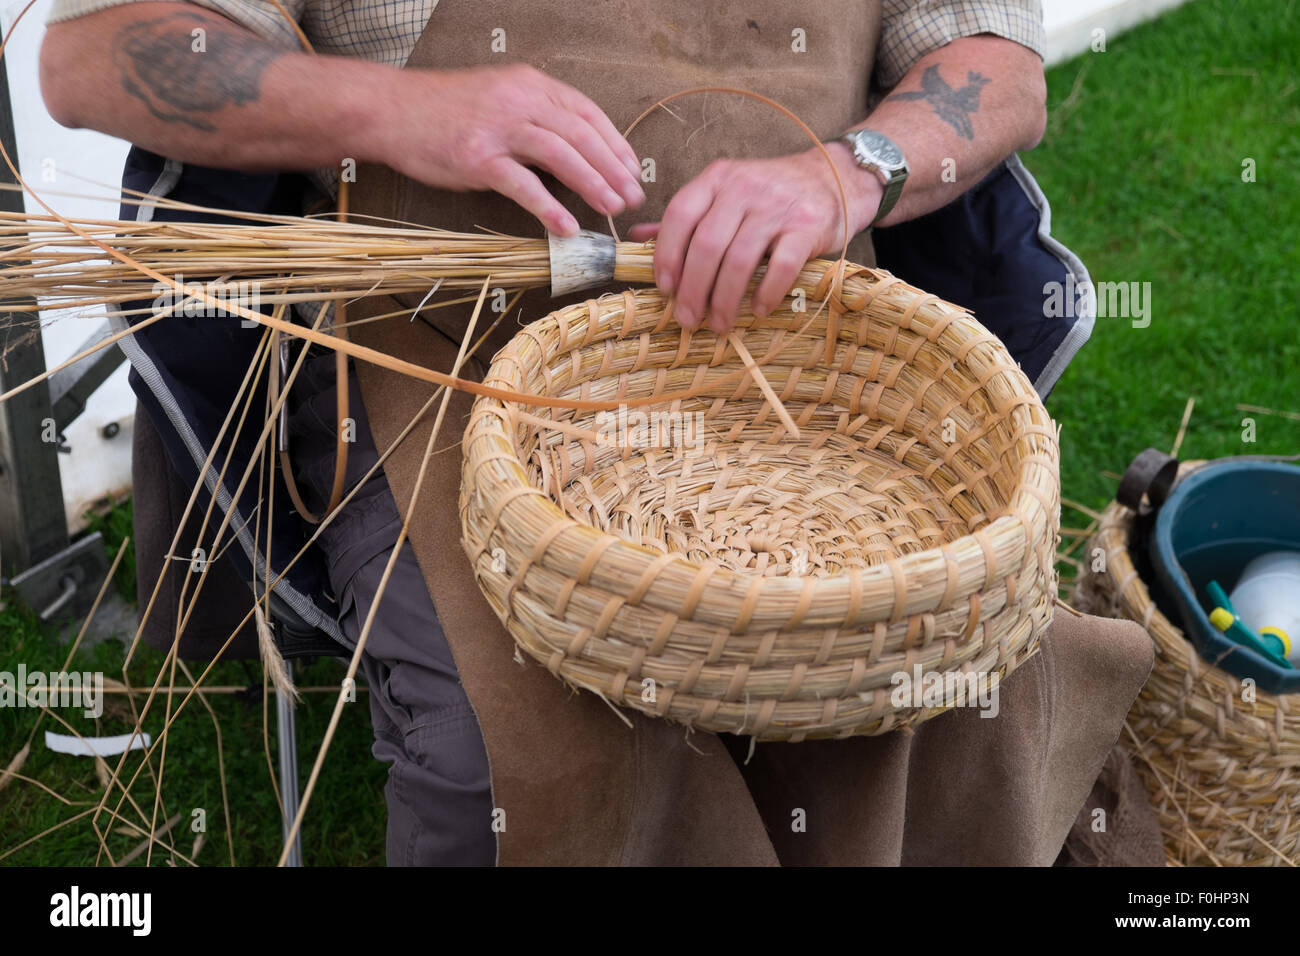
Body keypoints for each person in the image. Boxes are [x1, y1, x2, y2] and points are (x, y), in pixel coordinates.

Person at [41, 0, 1152, 866]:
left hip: (800, 364)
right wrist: (394, 109)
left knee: (949, 675)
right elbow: (91, 55)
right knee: (516, 756)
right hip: (448, 366)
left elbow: (996, 67)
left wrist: (846, 171)